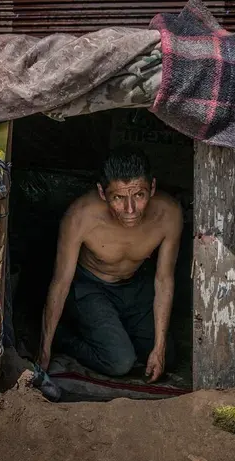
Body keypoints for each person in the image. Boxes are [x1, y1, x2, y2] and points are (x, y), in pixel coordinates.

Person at [37, 147, 183, 382]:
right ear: (102, 193)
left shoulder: (169, 214)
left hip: (136, 286)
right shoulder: (81, 217)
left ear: (152, 188)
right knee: (119, 362)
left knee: (168, 357)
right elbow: (61, 282)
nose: (130, 209)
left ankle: (119, 333)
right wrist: (45, 349)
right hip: (92, 287)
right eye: (118, 198)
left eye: (139, 195)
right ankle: (66, 337)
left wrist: (159, 347)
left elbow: (164, 278)